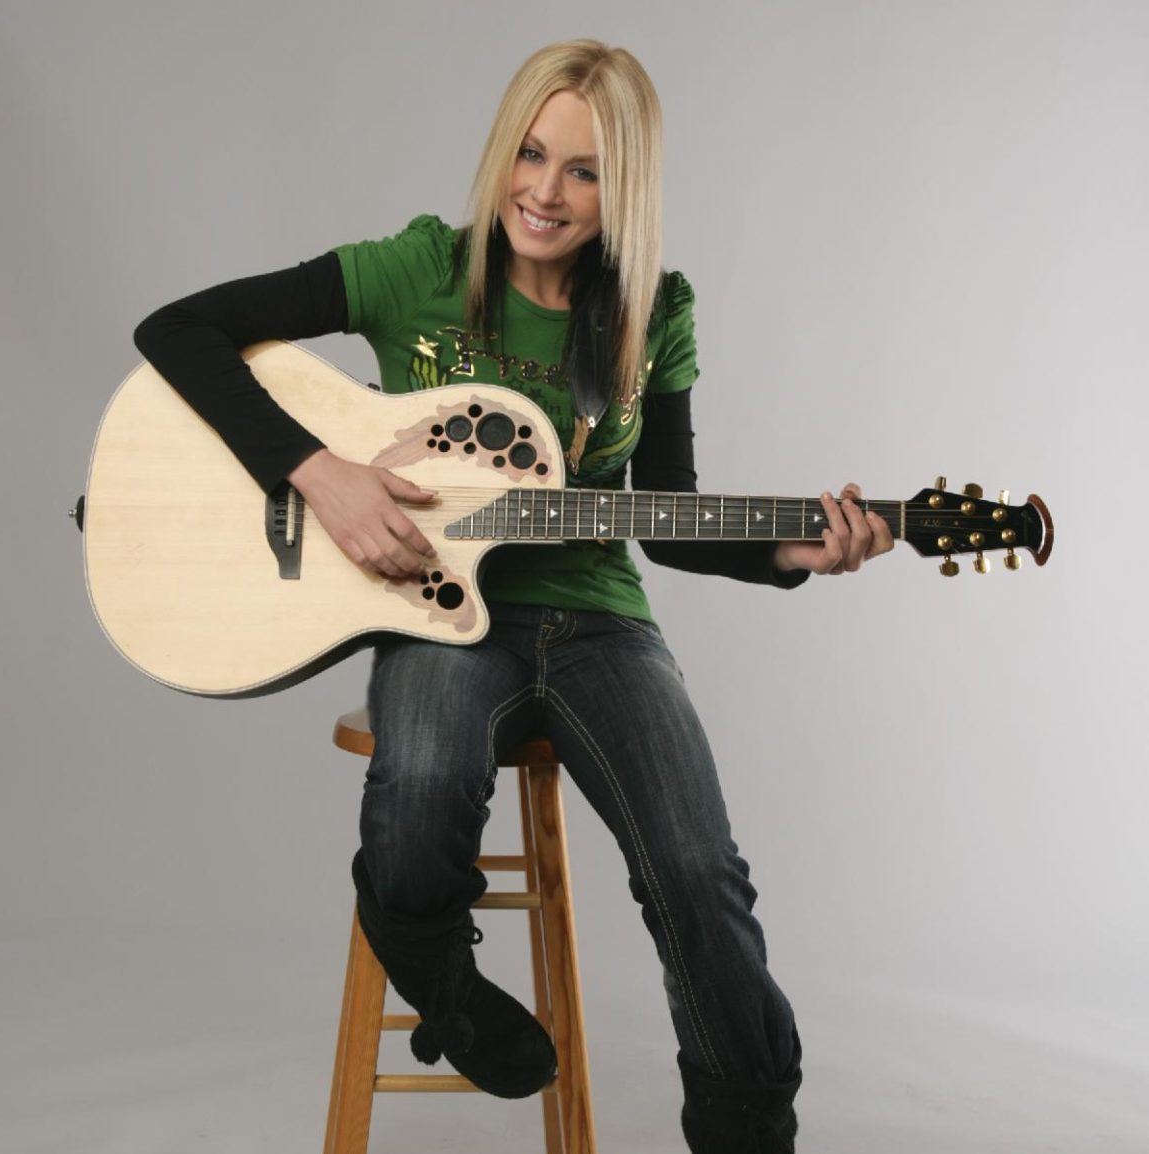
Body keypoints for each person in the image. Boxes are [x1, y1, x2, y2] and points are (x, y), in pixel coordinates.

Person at [134, 39, 893, 1154]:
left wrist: (790, 554)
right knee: (420, 790)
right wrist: (320, 472)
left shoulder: (652, 310)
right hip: (436, 607)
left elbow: (667, 516)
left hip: (597, 616)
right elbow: (176, 330)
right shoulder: (417, 268)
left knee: (698, 871)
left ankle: (748, 1123)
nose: (544, 191)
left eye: (584, 171)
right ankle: (442, 982)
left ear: (625, 188)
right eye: (530, 155)